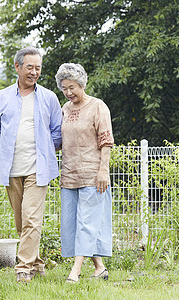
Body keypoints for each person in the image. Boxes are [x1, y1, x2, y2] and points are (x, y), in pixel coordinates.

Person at [0, 46, 62, 283]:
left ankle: (23, 267)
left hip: (38, 169)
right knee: (22, 221)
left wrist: (44, 150)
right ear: (17, 67)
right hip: (11, 168)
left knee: (31, 217)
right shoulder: (2, 97)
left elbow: (57, 132)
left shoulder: (49, 97)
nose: (34, 72)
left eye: (38, 67)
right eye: (30, 67)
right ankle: (37, 262)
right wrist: (9, 146)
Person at [55, 63, 114, 283]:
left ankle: (75, 271)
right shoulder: (64, 109)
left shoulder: (98, 106)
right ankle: (99, 268)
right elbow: (58, 141)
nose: (69, 93)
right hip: (69, 174)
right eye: (64, 88)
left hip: (93, 174)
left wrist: (103, 171)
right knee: (72, 223)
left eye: (72, 87)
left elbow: (106, 141)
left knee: (87, 223)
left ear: (82, 84)